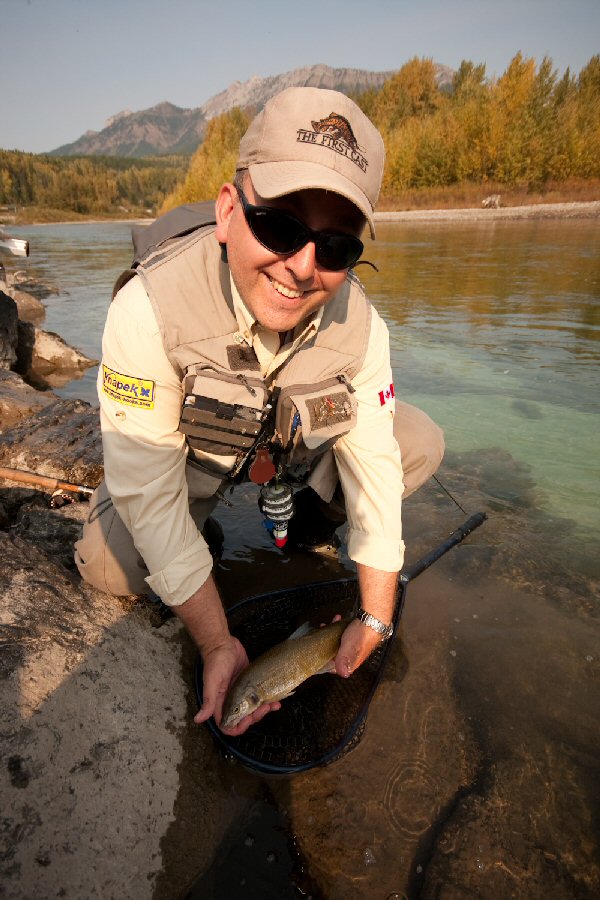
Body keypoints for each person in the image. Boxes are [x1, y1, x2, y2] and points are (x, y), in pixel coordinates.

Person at [75, 87, 444, 737]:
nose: (303, 267)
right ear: (227, 211)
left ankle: (309, 523)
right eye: (280, 226)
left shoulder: (362, 325)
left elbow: (378, 467)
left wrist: (377, 615)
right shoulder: (149, 310)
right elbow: (149, 495)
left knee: (416, 440)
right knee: (111, 566)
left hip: (292, 459)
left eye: (335, 248)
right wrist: (219, 644)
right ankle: (206, 538)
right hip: (191, 466)